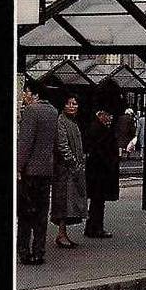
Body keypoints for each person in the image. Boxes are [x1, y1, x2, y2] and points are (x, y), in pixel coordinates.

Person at [16, 79, 59, 265]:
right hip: (46, 171)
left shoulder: (31, 111)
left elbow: (25, 143)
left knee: (26, 214)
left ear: (35, 94)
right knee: (41, 214)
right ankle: (39, 251)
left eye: (26, 92)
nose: (24, 96)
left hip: (30, 172)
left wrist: (18, 167)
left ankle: (24, 252)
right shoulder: (53, 111)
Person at [50, 94, 87, 248]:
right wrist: (74, 163)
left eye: (75, 103)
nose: (72, 106)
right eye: (69, 103)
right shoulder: (61, 121)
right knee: (64, 203)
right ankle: (61, 234)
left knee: (69, 203)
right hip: (65, 171)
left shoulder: (72, 122)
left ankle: (63, 234)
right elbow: (62, 145)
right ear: (63, 106)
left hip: (71, 170)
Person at [84, 109, 119, 238]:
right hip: (100, 171)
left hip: (96, 171)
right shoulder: (100, 130)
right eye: (108, 115)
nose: (110, 117)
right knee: (98, 201)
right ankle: (96, 228)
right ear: (101, 115)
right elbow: (102, 150)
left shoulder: (95, 128)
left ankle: (92, 227)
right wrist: (111, 162)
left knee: (96, 201)